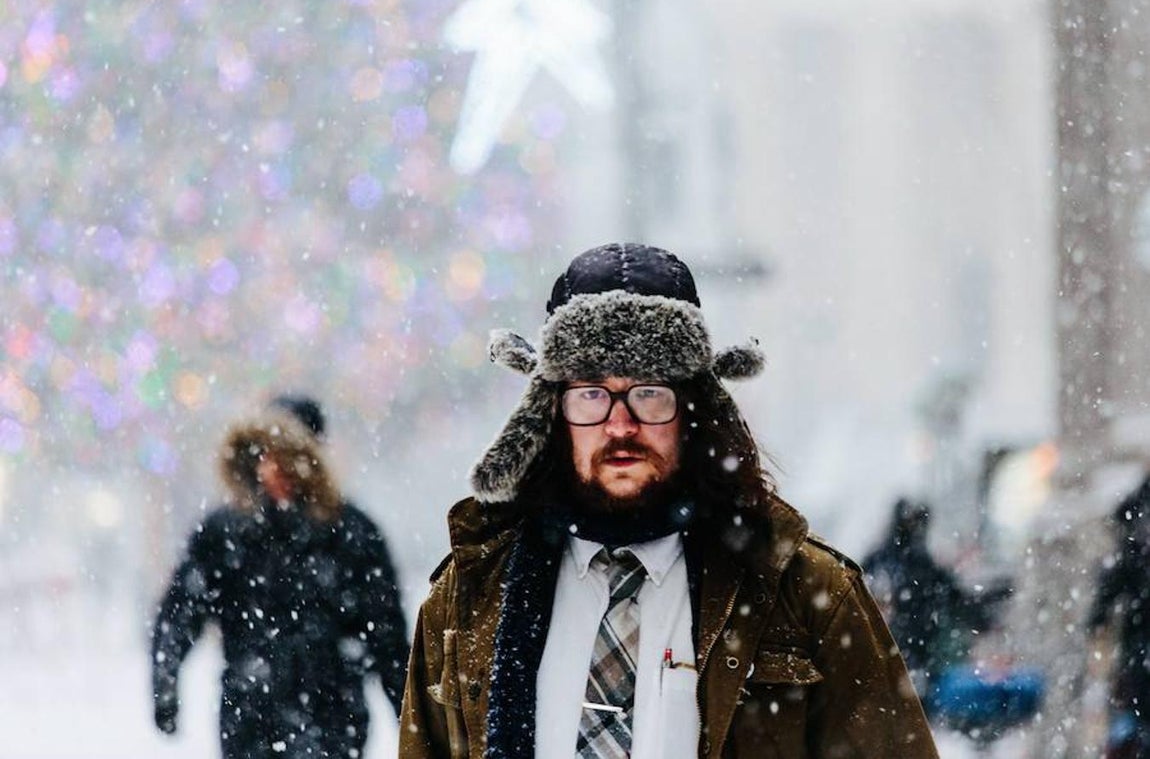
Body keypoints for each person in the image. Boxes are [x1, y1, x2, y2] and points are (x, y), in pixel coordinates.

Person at [399, 243, 938, 758]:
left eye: (649, 392)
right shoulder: (471, 595)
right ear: (551, 413)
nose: (620, 424)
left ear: (694, 409)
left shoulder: (804, 595)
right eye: (591, 394)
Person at [151, 394, 409, 759]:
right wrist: (164, 684)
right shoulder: (224, 533)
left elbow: (387, 635)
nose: (275, 467)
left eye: (288, 454)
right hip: (256, 717)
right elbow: (179, 612)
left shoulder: (350, 532)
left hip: (329, 717)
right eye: (267, 453)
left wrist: (412, 715)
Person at [861, 497, 1008, 714]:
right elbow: (959, 602)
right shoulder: (920, 567)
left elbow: (958, 601)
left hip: (899, 653)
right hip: (913, 653)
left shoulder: (889, 562)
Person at [1088, 474, 1150, 759]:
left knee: (1138, 720)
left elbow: (1108, 590)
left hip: (1139, 644)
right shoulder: (1135, 543)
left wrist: (1097, 622)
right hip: (1140, 644)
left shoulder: (1134, 541)